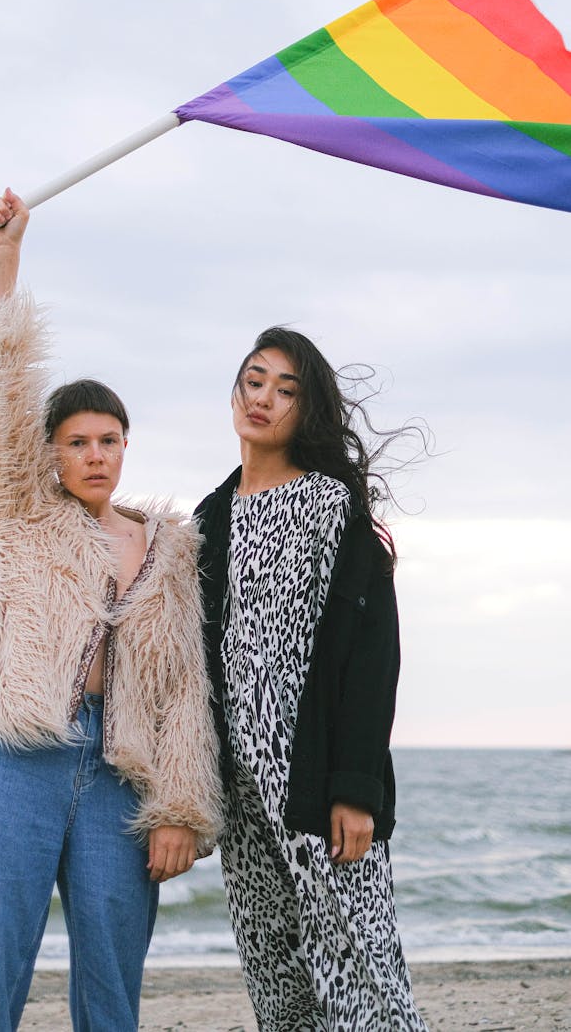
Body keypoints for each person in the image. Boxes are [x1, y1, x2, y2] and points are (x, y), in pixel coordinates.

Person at [0, 189, 222, 1032]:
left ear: (127, 445)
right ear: (51, 454)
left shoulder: (172, 547)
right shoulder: (20, 513)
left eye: (109, 439)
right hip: (13, 757)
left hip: (115, 777)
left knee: (112, 979)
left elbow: (180, 689)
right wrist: (4, 256)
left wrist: (177, 808)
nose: (95, 454)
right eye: (77, 441)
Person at [195, 328, 429, 1031]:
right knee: (279, 981)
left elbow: (372, 655)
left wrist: (355, 787)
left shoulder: (330, 505)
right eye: (255, 380)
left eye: (286, 390)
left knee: (364, 980)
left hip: (317, 786)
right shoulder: (209, 518)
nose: (263, 398)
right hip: (241, 796)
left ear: (309, 409)